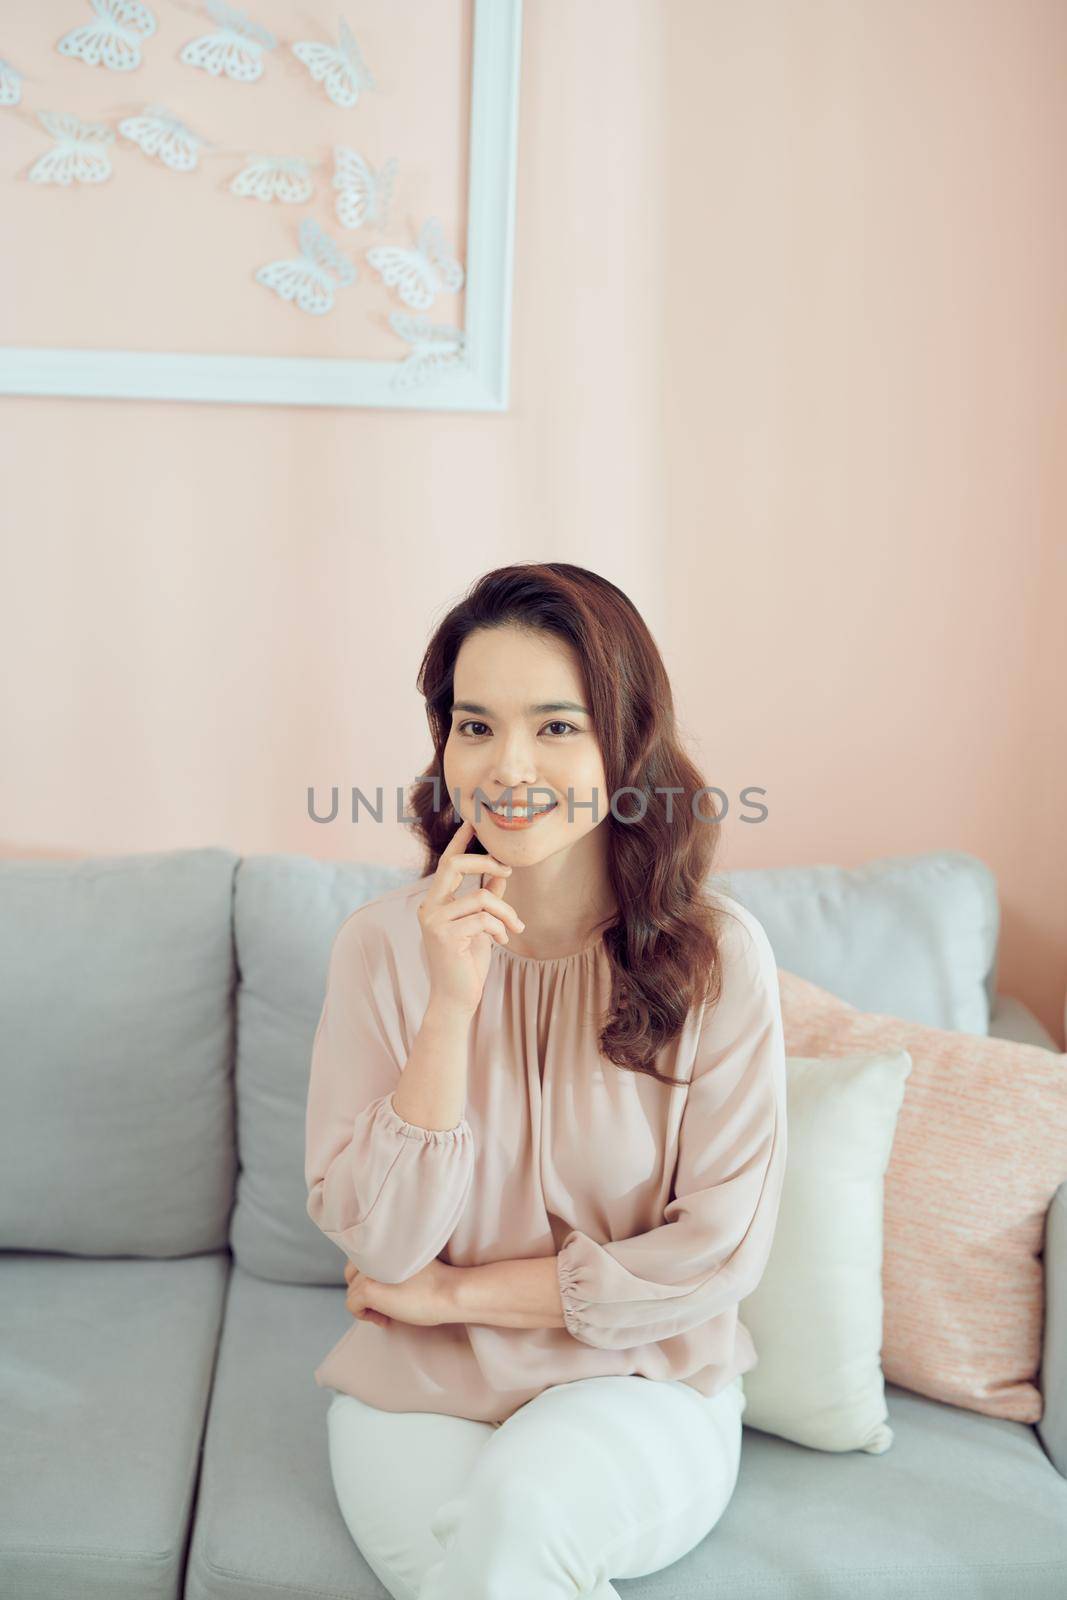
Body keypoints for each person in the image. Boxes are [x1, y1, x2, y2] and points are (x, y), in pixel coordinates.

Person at [304, 562, 788, 1599]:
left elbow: (715, 1254)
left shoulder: (717, 958)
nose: (506, 763)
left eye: (556, 726)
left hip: (642, 1384)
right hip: (414, 1398)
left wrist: (450, 1294)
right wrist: (448, 1006)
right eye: (473, 725)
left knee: (519, 1517)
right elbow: (378, 1241)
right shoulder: (380, 950)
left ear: (626, 741)